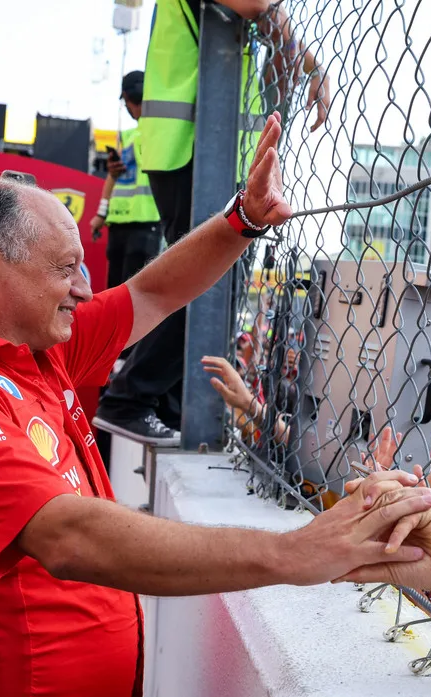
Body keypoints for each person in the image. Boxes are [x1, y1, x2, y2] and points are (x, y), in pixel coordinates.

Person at [0, 116, 431, 697]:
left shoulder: (35, 348)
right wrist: (296, 554)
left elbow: (153, 292)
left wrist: (241, 222)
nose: (85, 288)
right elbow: (66, 534)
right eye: (66, 269)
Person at [95, 0, 332, 442]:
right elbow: (256, 5)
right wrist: (310, 61)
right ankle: (130, 399)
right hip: (196, 147)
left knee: (212, 281)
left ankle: (163, 406)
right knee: (209, 283)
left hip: (203, 148)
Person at [91, 71, 162, 292]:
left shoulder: (155, 132)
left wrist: (101, 214)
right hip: (123, 226)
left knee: (133, 298)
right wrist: (102, 214)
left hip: (147, 224)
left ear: (126, 98)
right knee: (118, 296)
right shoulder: (129, 136)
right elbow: (114, 177)